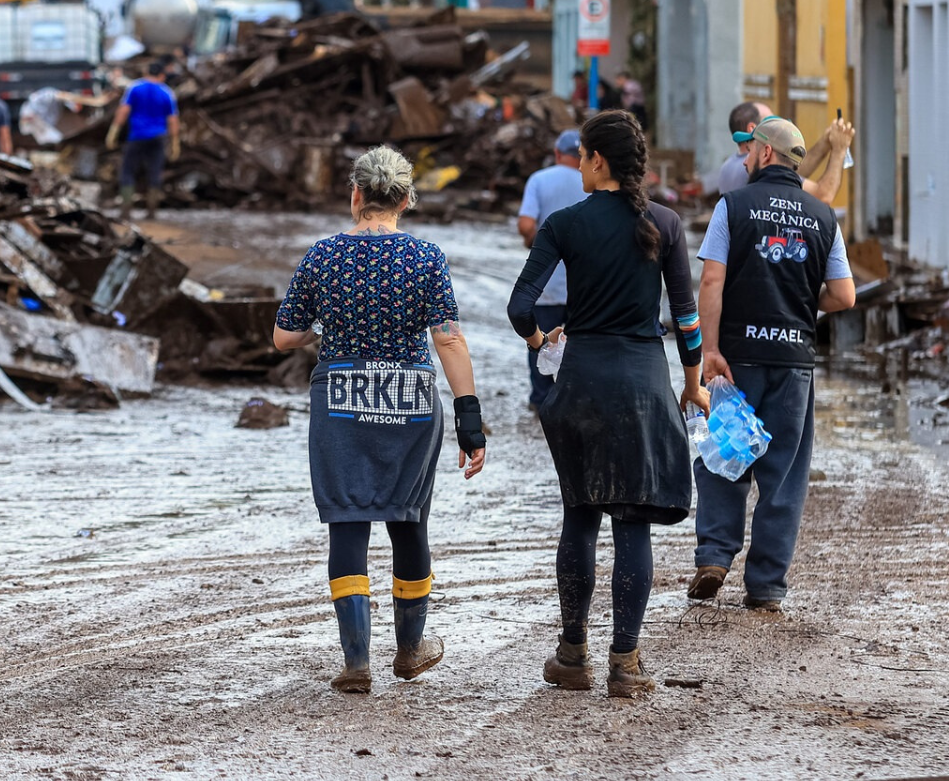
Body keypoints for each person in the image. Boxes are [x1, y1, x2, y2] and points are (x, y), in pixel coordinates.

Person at [507, 110, 708, 699]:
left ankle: (573, 655)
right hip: (645, 383)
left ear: (596, 160)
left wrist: (544, 340)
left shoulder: (564, 224)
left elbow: (521, 308)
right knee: (634, 524)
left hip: (583, 381)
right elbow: (687, 320)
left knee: (580, 515)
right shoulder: (665, 224)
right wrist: (692, 383)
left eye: (582, 159)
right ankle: (626, 661)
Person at [273, 146, 485, 695]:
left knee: (347, 521)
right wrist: (470, 420)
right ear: (407, 200)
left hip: (340, 400)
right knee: (408, 520)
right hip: (410, 400)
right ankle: (411, 650)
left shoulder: (323, 256)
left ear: (355, 197)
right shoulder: (426, 259)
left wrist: (326, 332)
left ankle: (356, 662)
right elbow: (449, 340)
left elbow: (284, 336)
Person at [689, 116, 856, 614]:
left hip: (736, 359)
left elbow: (711, 283)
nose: (742, 159)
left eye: (748, 151)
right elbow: (844, 296)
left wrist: (708, 352)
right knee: (783, 474)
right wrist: (801, 299)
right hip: (793, 361)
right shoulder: (824, 217)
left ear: (764, 154)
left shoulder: (733, 206)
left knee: (724, 455)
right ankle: (765, 587)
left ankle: (715, 556)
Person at [516, 130, 589, 408]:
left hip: (546, 287)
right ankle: (575, 400)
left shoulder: (540, 179)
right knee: (580, 345)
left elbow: (525, 225)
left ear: (558, 154)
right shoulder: (592, 183)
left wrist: (535, 243)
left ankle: (541, 400)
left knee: (541, 343)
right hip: (582, 286)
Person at [717, 101, 852, 205]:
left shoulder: (729, 167)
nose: (778, 124)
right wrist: (839, 149)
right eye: (771, 121)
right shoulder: (753, 166)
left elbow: (791, 177)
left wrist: (824, 143)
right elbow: (824, 197)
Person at [104, 58, 181, 221]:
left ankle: (126, 210)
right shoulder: (167, 92)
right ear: (162, 75)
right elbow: (173, 119)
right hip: (158, 137)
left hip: (137, 136)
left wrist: (113, 132)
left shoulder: (134, 88)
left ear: (147, 72)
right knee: (154, 171)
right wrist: (175, 142)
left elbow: (123, 111)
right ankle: (152, 211)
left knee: (128, 171)